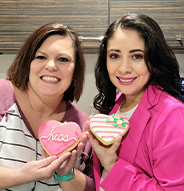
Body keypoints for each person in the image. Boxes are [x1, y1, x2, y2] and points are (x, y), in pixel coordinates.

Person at [86, 13, 184, 190]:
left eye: (137, 56)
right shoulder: (118, 102)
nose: (124, 68)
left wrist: (112, 164)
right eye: (114, 55)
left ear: (153, 61)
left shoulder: (171, 115)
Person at [0, 23, 95, 191]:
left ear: (75, 72)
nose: (51, 66)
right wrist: (21, 176)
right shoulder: (2, 96)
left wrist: (66, 174)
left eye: (63, 59)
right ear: (28, 62)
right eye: (41, 57)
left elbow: (93, 187)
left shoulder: (82, 127)